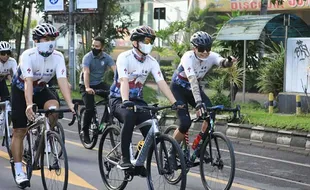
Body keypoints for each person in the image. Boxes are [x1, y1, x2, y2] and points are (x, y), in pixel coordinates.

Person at [109, 25, 184, 170]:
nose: (148, 44)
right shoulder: (124, 57)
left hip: (137, 100)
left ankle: (138, 161)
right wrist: (125, 101)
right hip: (118, 99)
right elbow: (124, 81)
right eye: (145, 41)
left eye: (150, 41)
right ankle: (125, 158)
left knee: (151, 129)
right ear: (135, 42)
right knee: (129, 117)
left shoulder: (151, 61)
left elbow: (161, 82)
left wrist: (174, 102)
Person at [10, 23, 74, 188]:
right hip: (21, 90)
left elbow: (62, 82)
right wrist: (29, 104)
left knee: (54, 109)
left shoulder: (58, 56)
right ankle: (19, 170)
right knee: (19, 131)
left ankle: (45, 135)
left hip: (41, 90)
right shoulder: (28, 56)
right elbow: (28, 83)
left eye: (53, 38)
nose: (50, 42)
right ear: (37, 41)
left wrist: (71, 104)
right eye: (46, 38)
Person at [170, 31, 237, 146]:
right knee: (185, 123)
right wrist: (198, 102)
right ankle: (172, 150)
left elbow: (222, 62)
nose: (205, 52)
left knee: (210, 114)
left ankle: (200, 142)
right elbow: (193, 81)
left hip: (192, 90)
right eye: (201, 49)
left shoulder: (211, 56)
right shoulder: (188, 57)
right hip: (178, 89)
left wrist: (229, 61)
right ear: (194, 48)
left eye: (208, 48)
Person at [79, 36, 116, 144]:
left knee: (114, 96)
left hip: (98, 83)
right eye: (93, 46)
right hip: (86, 84)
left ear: (102, 47)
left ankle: (106, 119)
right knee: (89, 108)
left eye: (97, 46)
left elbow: (116, 71)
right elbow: (86, 72)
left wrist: (119, 84)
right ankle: (85, 131)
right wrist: (87, 87)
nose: (94, 48)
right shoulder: (88, 57)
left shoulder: (106, 58)